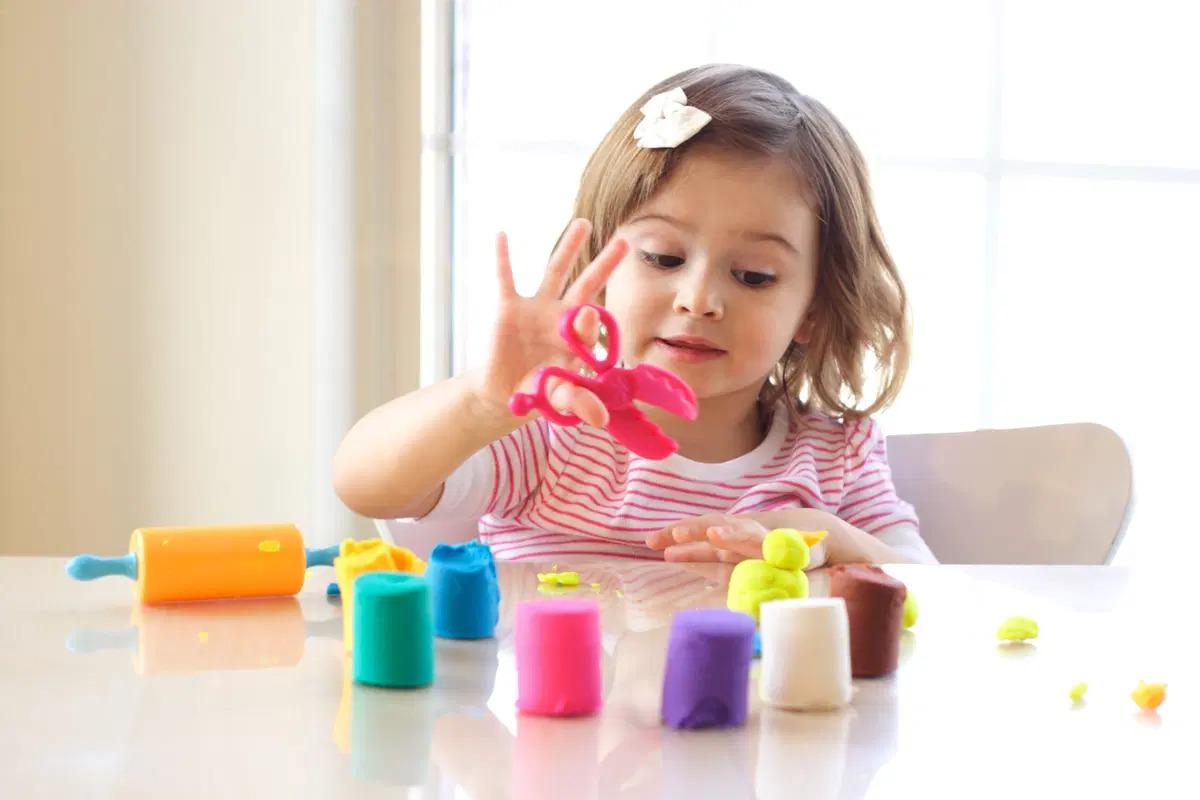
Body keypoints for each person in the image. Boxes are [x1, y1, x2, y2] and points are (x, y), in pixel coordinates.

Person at [333, 64, 937, 566]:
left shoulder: (832, 459)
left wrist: (819, 536)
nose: (698, 299)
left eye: (753, 275)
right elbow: (367, 485)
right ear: (601, 269)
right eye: (663, 257)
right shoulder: (555, 434)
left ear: (814, 308)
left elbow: (935, 592)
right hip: (558, 711)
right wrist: (481, 405)